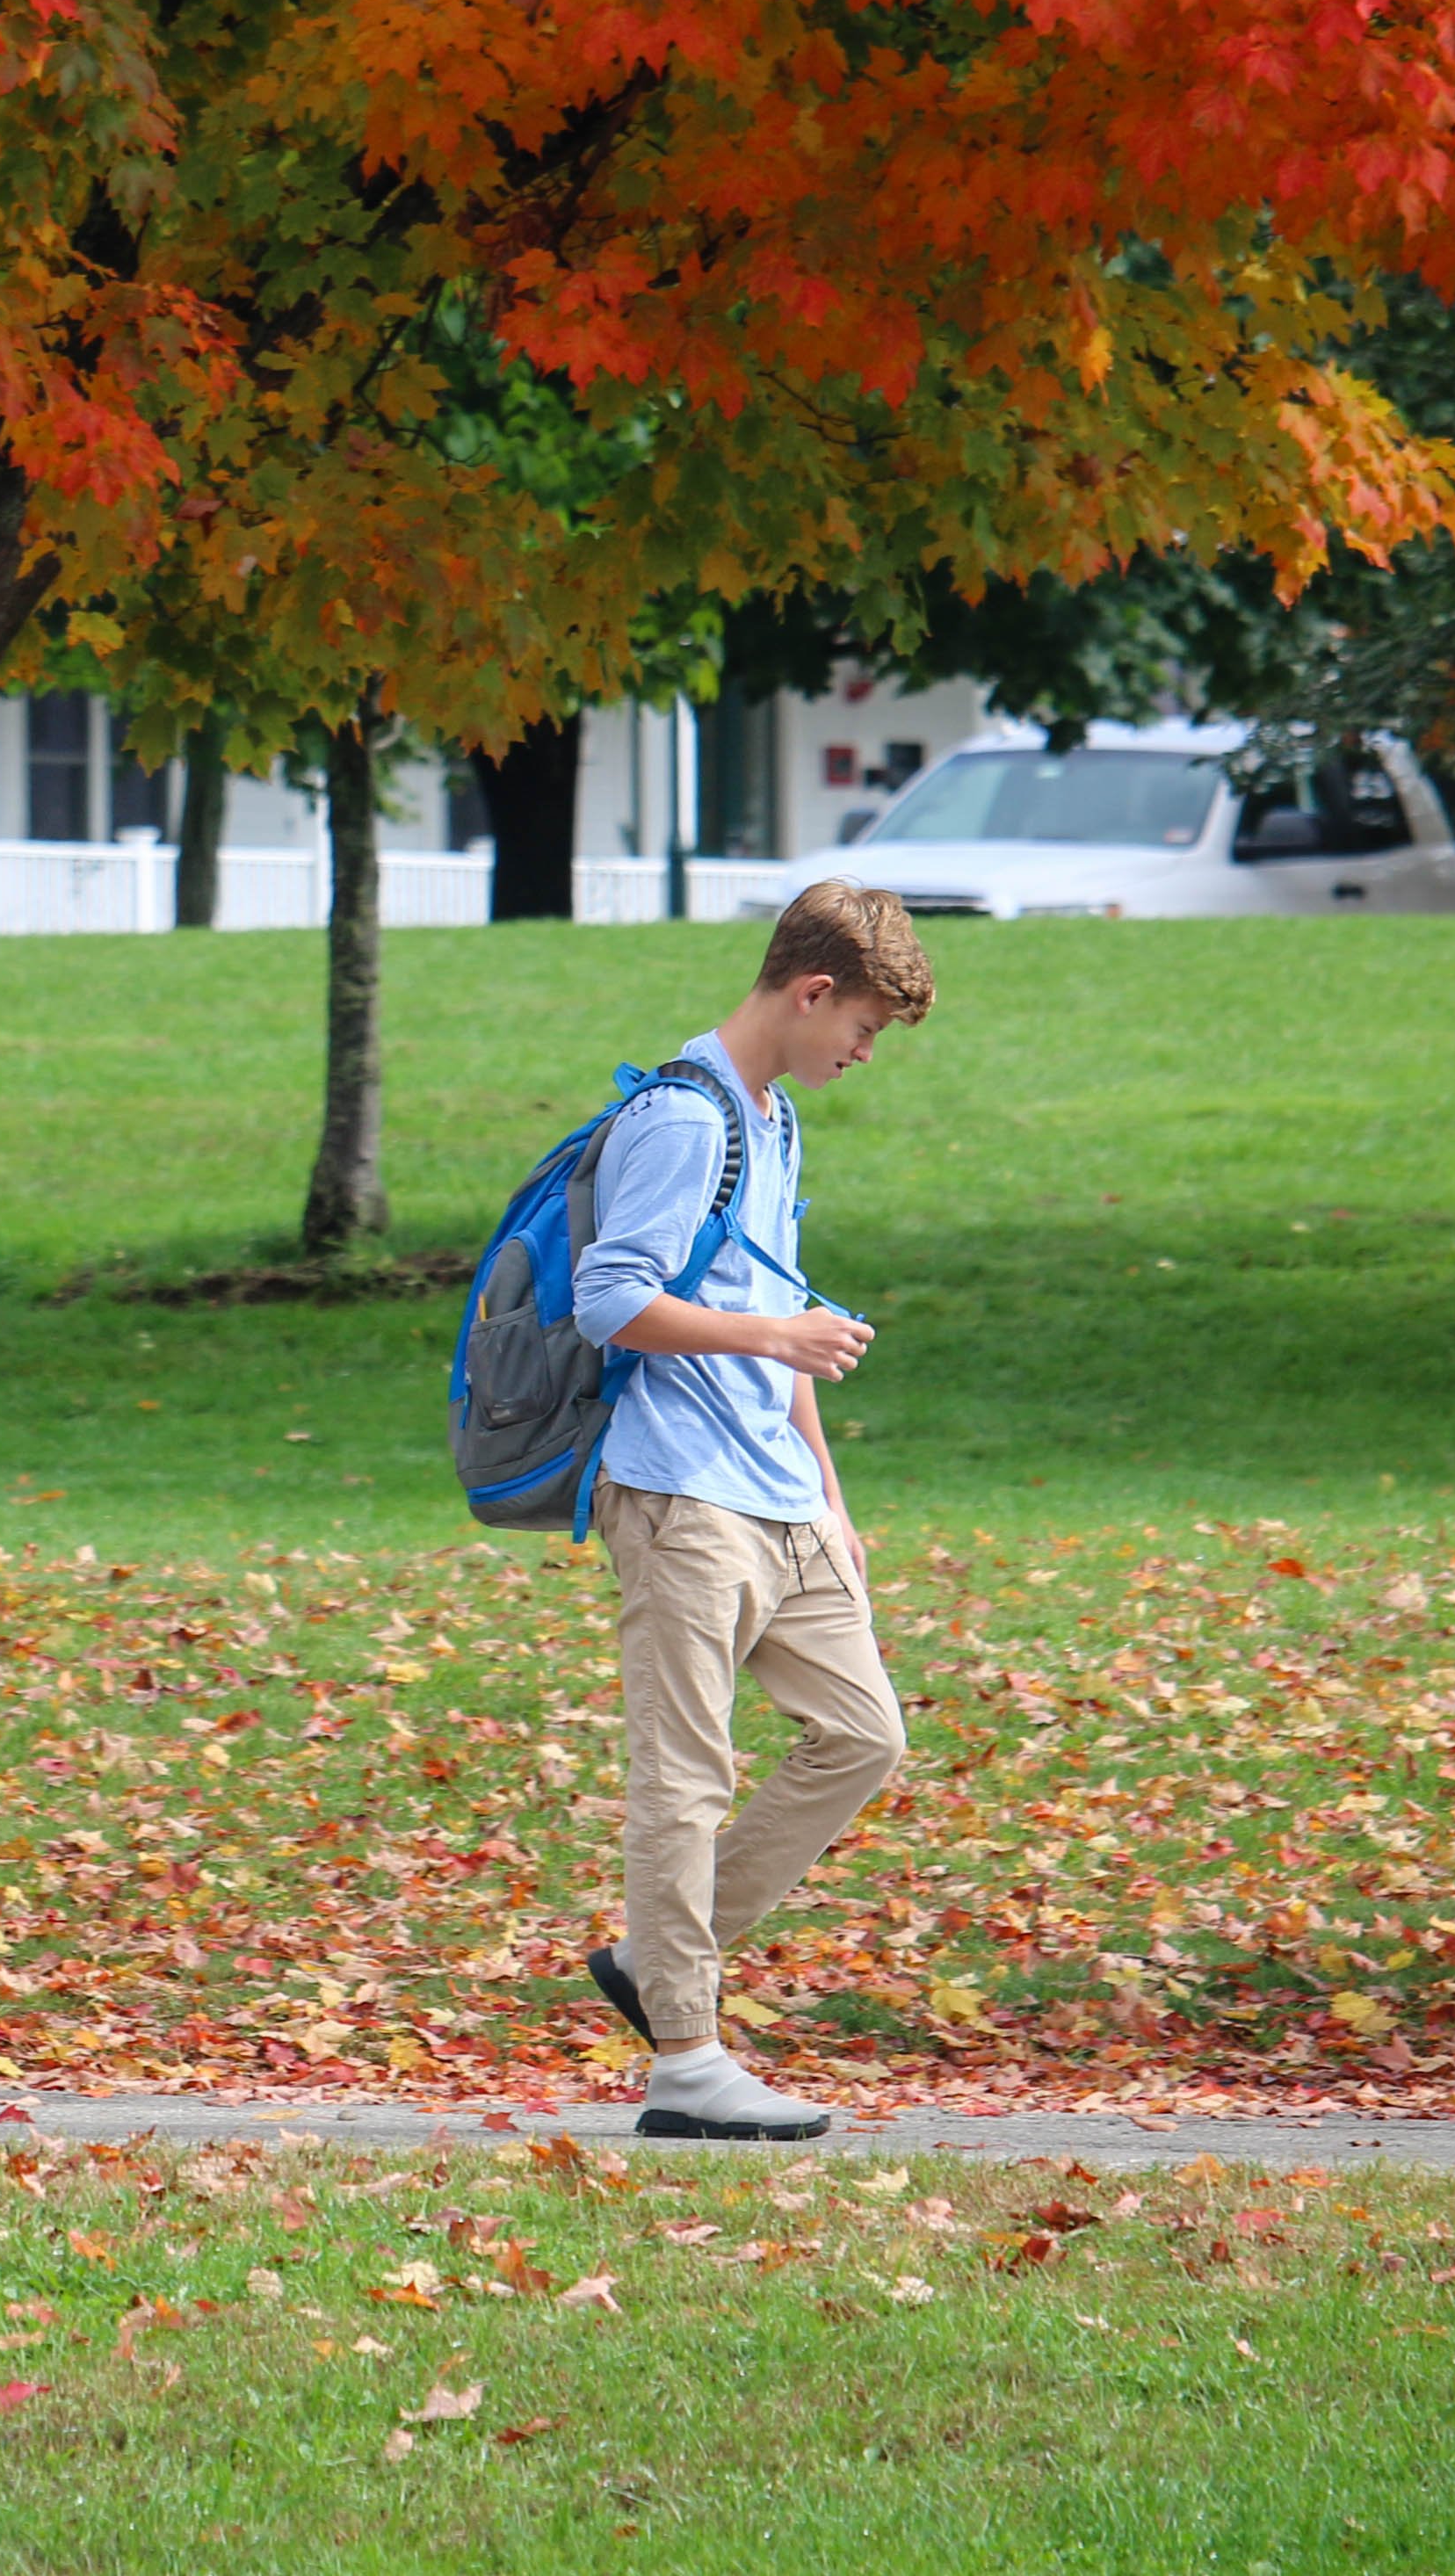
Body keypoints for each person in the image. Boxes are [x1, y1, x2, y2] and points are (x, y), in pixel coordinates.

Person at [571, 877, 935, 2142]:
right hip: (679, 1493)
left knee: (864, 1734)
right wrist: (775, 1331)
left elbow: (781, 1312)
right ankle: (685, 2063)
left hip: (778, 1498)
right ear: (812, 990)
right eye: (866, 1028)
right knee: (685, 1778)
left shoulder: (773, 1121)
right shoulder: (682, 1119)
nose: (864, 1052)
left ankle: (658, 1957)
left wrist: (832, 1500)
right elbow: (610, 1299)